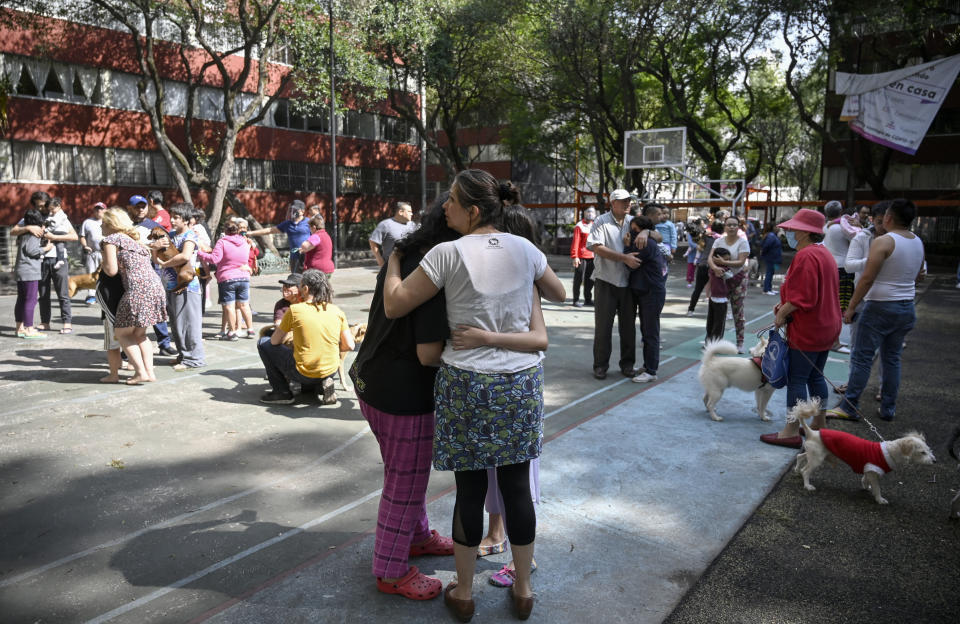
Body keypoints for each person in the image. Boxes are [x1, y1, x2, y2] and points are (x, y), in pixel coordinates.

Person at [382, 170, 565, 621]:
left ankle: (463, 592)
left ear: (473, 210)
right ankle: (522, 588)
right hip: (520, 384)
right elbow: (558, 291)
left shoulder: (447, 252)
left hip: (466, 383)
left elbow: (394, 304)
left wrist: (392, 262)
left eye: (451, 201)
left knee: (470, 489)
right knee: (517, 488)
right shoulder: (525, 249)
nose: (445, 208)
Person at [349, 195, 459, 601]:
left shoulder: (408, 252)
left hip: (372, 380)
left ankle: (416, 536)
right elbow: (429, 354)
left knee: (404, 474)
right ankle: (391, 570)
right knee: (405, 483)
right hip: (402, 393)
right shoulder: (435, 270)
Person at [828, 199, 925, 423]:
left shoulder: (884, 242)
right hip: (906, 305)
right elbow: (920, 275)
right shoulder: (918, 241)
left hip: (879, 305)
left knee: (862, 358)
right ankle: (888, 408)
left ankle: (850, 406)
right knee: (892, 359)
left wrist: (851, 307)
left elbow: (867, 279)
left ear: (889, 218)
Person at [760, 209, 841, 449]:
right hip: (827, 325)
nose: (788, 233)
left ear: (805, 232)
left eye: (791, 230)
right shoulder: (825, 254)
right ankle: (819, 422)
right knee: (816, 375)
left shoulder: (806, 256)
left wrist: (782, 314)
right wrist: (784, 305)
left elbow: (803, 297)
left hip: (809, 327)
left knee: (797, 378)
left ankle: (791, 429)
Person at [258, 270, 353, 406]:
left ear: (306, 288)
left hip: (304, 372)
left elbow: (274, 341)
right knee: (310, 364)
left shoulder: (295, 310)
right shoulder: (337, 310)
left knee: (263, 343)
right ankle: (321, 383)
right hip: (331, 370)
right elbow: (350, 345)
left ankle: (282, 392)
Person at [100, 208, 168, 385]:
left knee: (122, 333)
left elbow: (111, 270)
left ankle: (139, 373)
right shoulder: (135, 241)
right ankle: (149, 373)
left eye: (103, 222)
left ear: (110, 224)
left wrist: (103, 261)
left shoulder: (110, 240)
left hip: (137, 289)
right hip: (155, 287)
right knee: (140, 334)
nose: (101, 225)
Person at [587, 189, 641, 379]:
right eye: (622, 201)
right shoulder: (601, 221)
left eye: (629, 201)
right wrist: (624, 258)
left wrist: (648, 231)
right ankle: (600, 365)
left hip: (628, 282)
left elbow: (657, 235)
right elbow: (596, 247)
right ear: (612, 203)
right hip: (605, 280)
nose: (627, 204)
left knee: (628, 327)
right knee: (603, 327)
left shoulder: (634, 222)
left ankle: (627, 364)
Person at [11, 191, 77, 333]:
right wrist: (27, 228)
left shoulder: (58, 216)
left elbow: (74, 236)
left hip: (58, 258)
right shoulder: (32, 218)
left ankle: (67, 322)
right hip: (39, 261)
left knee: (63, 292)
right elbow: (13, 231)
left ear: (49, 203)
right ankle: (45, 322)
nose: (41, 209)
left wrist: (54, 237)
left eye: (43, 206)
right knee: (43, 293)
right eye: (37, 206)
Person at [155, 203, 206, 371]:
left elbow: (184, 256)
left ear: (186, 220)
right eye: (172, 216)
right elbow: (156, 256)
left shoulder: (190, 236)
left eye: (177, 217)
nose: (173, 220)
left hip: (187, 286)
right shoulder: (168, 235)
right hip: (170, 285)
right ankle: (183, 355)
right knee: (177, 324)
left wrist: (164, 263)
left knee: (189, 323)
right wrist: (155, 250)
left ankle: (194, 359)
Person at [126, 194, 177, 357]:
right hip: (130, 272)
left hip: (152, 271)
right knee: (132, 309)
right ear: (130, 208)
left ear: (148, 207)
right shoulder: (124, 226)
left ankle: (164, 343)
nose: (141, 209)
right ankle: (129, 347)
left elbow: (166, 248)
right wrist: (151, 245)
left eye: (143, 206)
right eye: (137, 206)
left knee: (157, 306)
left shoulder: (154, 226)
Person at [628, 213, 669, 383]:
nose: (632, 235)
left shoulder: (645, 244)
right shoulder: (646, 241)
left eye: (635, 231)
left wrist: (625, 248)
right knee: (647, 331)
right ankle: (648, 365)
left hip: (652, 293)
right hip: (648, 292)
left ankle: (651, 370)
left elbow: (630, 263)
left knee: (651, 333)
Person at [197, 219, 254, 341]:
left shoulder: (222, 242)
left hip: (228, 278)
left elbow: (214, 259)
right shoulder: (245, 241)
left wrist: (200, 253)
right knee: (244, 305)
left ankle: (232, 333)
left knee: (229, 306)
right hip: (244, 277)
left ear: (225, 230)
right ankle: (250, 330)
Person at [708, 215, 750, 353]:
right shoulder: (719, 241)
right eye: (729, 225)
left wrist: (724, 263)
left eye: (734, 225)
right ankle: (714, 341)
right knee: (716, 313)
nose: (732, 227)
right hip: (720, 281)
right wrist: (714, 268)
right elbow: (710, 258)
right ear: (725, 226)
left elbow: (741, 262)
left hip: (737, 280)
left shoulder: (743, 242)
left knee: (738, 312)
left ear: (739, 227)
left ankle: (740, 342)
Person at [14, 208, 53, 339]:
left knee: (21, 299)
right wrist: (46, 249)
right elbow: (32, 251)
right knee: (30, 300)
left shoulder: (24, 232)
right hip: (29, 271)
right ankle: (29, 329)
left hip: (22, 269)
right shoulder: (34, 233)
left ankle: (19, 328)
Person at [249, 200, 311, 273]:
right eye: (291, 209)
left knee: (309, 278)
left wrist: (308, 248)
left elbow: (317, 238)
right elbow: (270, 230)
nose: (293, 211)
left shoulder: (309, 222)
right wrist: (251, 233)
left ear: (302, 211)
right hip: (294, 257)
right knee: (296, 279)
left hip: (308, 256)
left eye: (295, 209)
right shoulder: (288, 224)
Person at [687, 220, 723, 316]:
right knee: (717, 290)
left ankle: (691, 310)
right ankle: (716, 312)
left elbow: (699, 246)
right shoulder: (723, 239)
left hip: (703, 264)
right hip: (716, 266)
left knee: (698, 289)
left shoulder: (707, 237)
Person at [369, 202, 418, 267]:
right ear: (400, 212)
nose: (411, 214)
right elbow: (373, 242)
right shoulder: (385, 225)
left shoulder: (412, 225)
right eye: (409, 211)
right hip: (390, 267)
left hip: (410, 266)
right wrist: (380, 262)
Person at [80, 202, 107, 304]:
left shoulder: (108, 221)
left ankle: (104, 296)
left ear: (105, 210)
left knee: (107, 274)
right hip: (93, 253)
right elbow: (82, 236)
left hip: (106, 253)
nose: (99, 211)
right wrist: (85, 246)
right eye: (97, 209)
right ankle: (91, 296)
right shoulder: (87, 222)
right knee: (91, 273)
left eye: (101, 209)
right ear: (94, 211)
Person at [569, 206, 596, 307]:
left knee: (590, 279)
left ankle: (588, 299)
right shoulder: (579, 226)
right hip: (581, 256)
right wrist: (575, 256)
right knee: (578, 278)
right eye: (588, 211)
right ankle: (575, 300)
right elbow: (575, 242)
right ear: (584, 213)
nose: (590, 214)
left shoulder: (595, 225)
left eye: (592, 212)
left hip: (592, 256)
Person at [705, 248, 732, 343]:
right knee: (718, 323)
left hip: (714, 298)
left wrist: (707, 293)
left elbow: (709, 282)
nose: (727, 262)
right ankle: (714, 342)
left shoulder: (713, 269)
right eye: (725, 259)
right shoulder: (724, 270)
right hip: (720, 300)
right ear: (717, 259)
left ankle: (709, 341)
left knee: (711, 322)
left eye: (728, 260)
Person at [759, 222, 782, 295]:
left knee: (771, 273)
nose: (779, 228)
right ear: (774, 227)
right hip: (771, 257)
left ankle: (769, 288)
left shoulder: (773, 235)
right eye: (777, 226)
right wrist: (763, 253)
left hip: (773, 257)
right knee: (769, 273)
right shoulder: (771, 236)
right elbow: (766, 246)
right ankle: (766, 289)